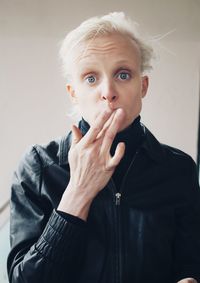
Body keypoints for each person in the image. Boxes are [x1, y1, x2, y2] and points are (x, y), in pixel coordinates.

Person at [7, 12, 200, 283]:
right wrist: (79, 191)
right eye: (90, 78)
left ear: (143, 86)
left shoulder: (178, 169)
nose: (108, 91)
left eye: (123, 74)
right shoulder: (38, 167)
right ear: (72, 91)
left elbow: (190, 265)